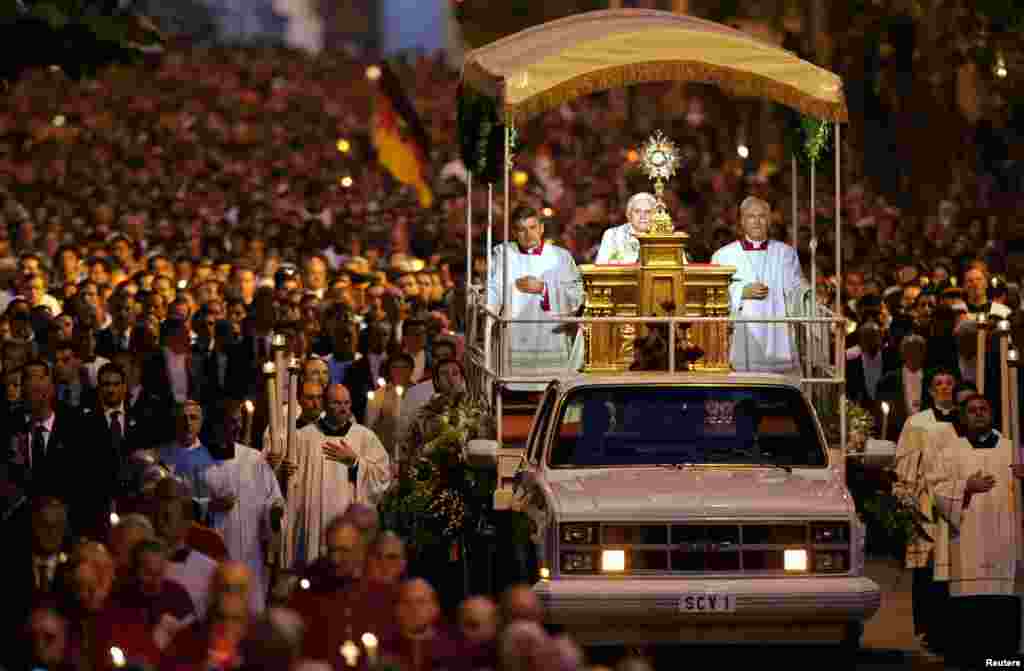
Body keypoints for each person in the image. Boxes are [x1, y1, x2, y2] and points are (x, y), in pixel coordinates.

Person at [930, 394, 1024, 663]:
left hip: (1004, 540)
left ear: (992, 413)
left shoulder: (1012, 450)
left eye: (984, 409)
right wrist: (965, 487)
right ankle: (967, 658)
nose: (979, 413)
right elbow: (936, 490)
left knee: (1002, 608)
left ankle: (1003, 659)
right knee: (968, 615)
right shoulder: (951, 451)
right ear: (963, 417)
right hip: (967, 540)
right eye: (972, 410)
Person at [284, 384, 391, 568]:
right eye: (337, 403)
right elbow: (290, 483)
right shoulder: (304, 437)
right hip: (314, 521)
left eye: (346, 403)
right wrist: (283, 471)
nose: (343, 408)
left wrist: (355, 462)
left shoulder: (365, 437)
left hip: (349, 517)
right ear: (325, 404)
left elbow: (383, 476)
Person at [202, 400, 284, 613]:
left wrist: (274, 512)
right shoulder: (198, 461)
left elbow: (272, 499)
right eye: (230, 422)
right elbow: (186, 505)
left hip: (250, 555)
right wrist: (209, 506)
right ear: (215, 424)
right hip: (214, 557)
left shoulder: (255, 459)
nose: (237, 427)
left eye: (238, 421)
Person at [710, 196, 808, 374]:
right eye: (751, 216)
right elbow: (713, 296)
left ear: (769, 221)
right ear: (742, 221)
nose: (756, 221)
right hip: (741, 334)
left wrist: (808, 293)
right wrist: (741, 292)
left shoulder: (785, 253)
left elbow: (796, 288)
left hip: (776, 333)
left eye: (762, 216)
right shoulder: (723, 256)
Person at [487, 207, 584, 379]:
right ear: (514, 232)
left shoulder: (561, 257)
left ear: (541, 228)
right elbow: (494, 288)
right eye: (521, 229)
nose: (528, 234)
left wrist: (543, 288)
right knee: (513, 383)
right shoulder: (503, 254)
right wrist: (489, 309)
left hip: (551, 334)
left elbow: (576, 296)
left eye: (532, 228)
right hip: (516, 333)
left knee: (552, 384)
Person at [596, 192, 683, 264]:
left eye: (648, 212)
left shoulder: (665, 236)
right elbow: (600, 268)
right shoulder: (612, 235)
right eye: (637, 211)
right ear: (629, 215)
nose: (642, 216)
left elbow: (683, 267)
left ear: (655, 216)